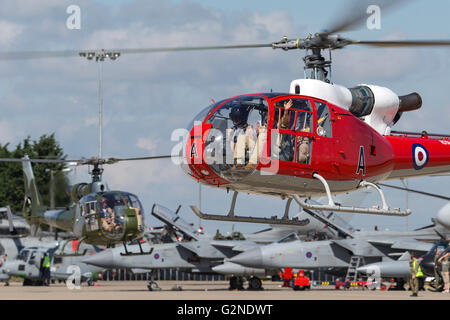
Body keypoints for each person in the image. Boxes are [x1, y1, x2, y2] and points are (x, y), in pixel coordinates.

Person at [228, 105, 256, 170]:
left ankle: (238, 163)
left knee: (241, 137)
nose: (234, 120)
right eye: (233, 118)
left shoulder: (250, 129)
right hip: (232, 155)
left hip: (248, 153)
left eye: (236, 118)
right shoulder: (231, 131)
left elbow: (253, 144)